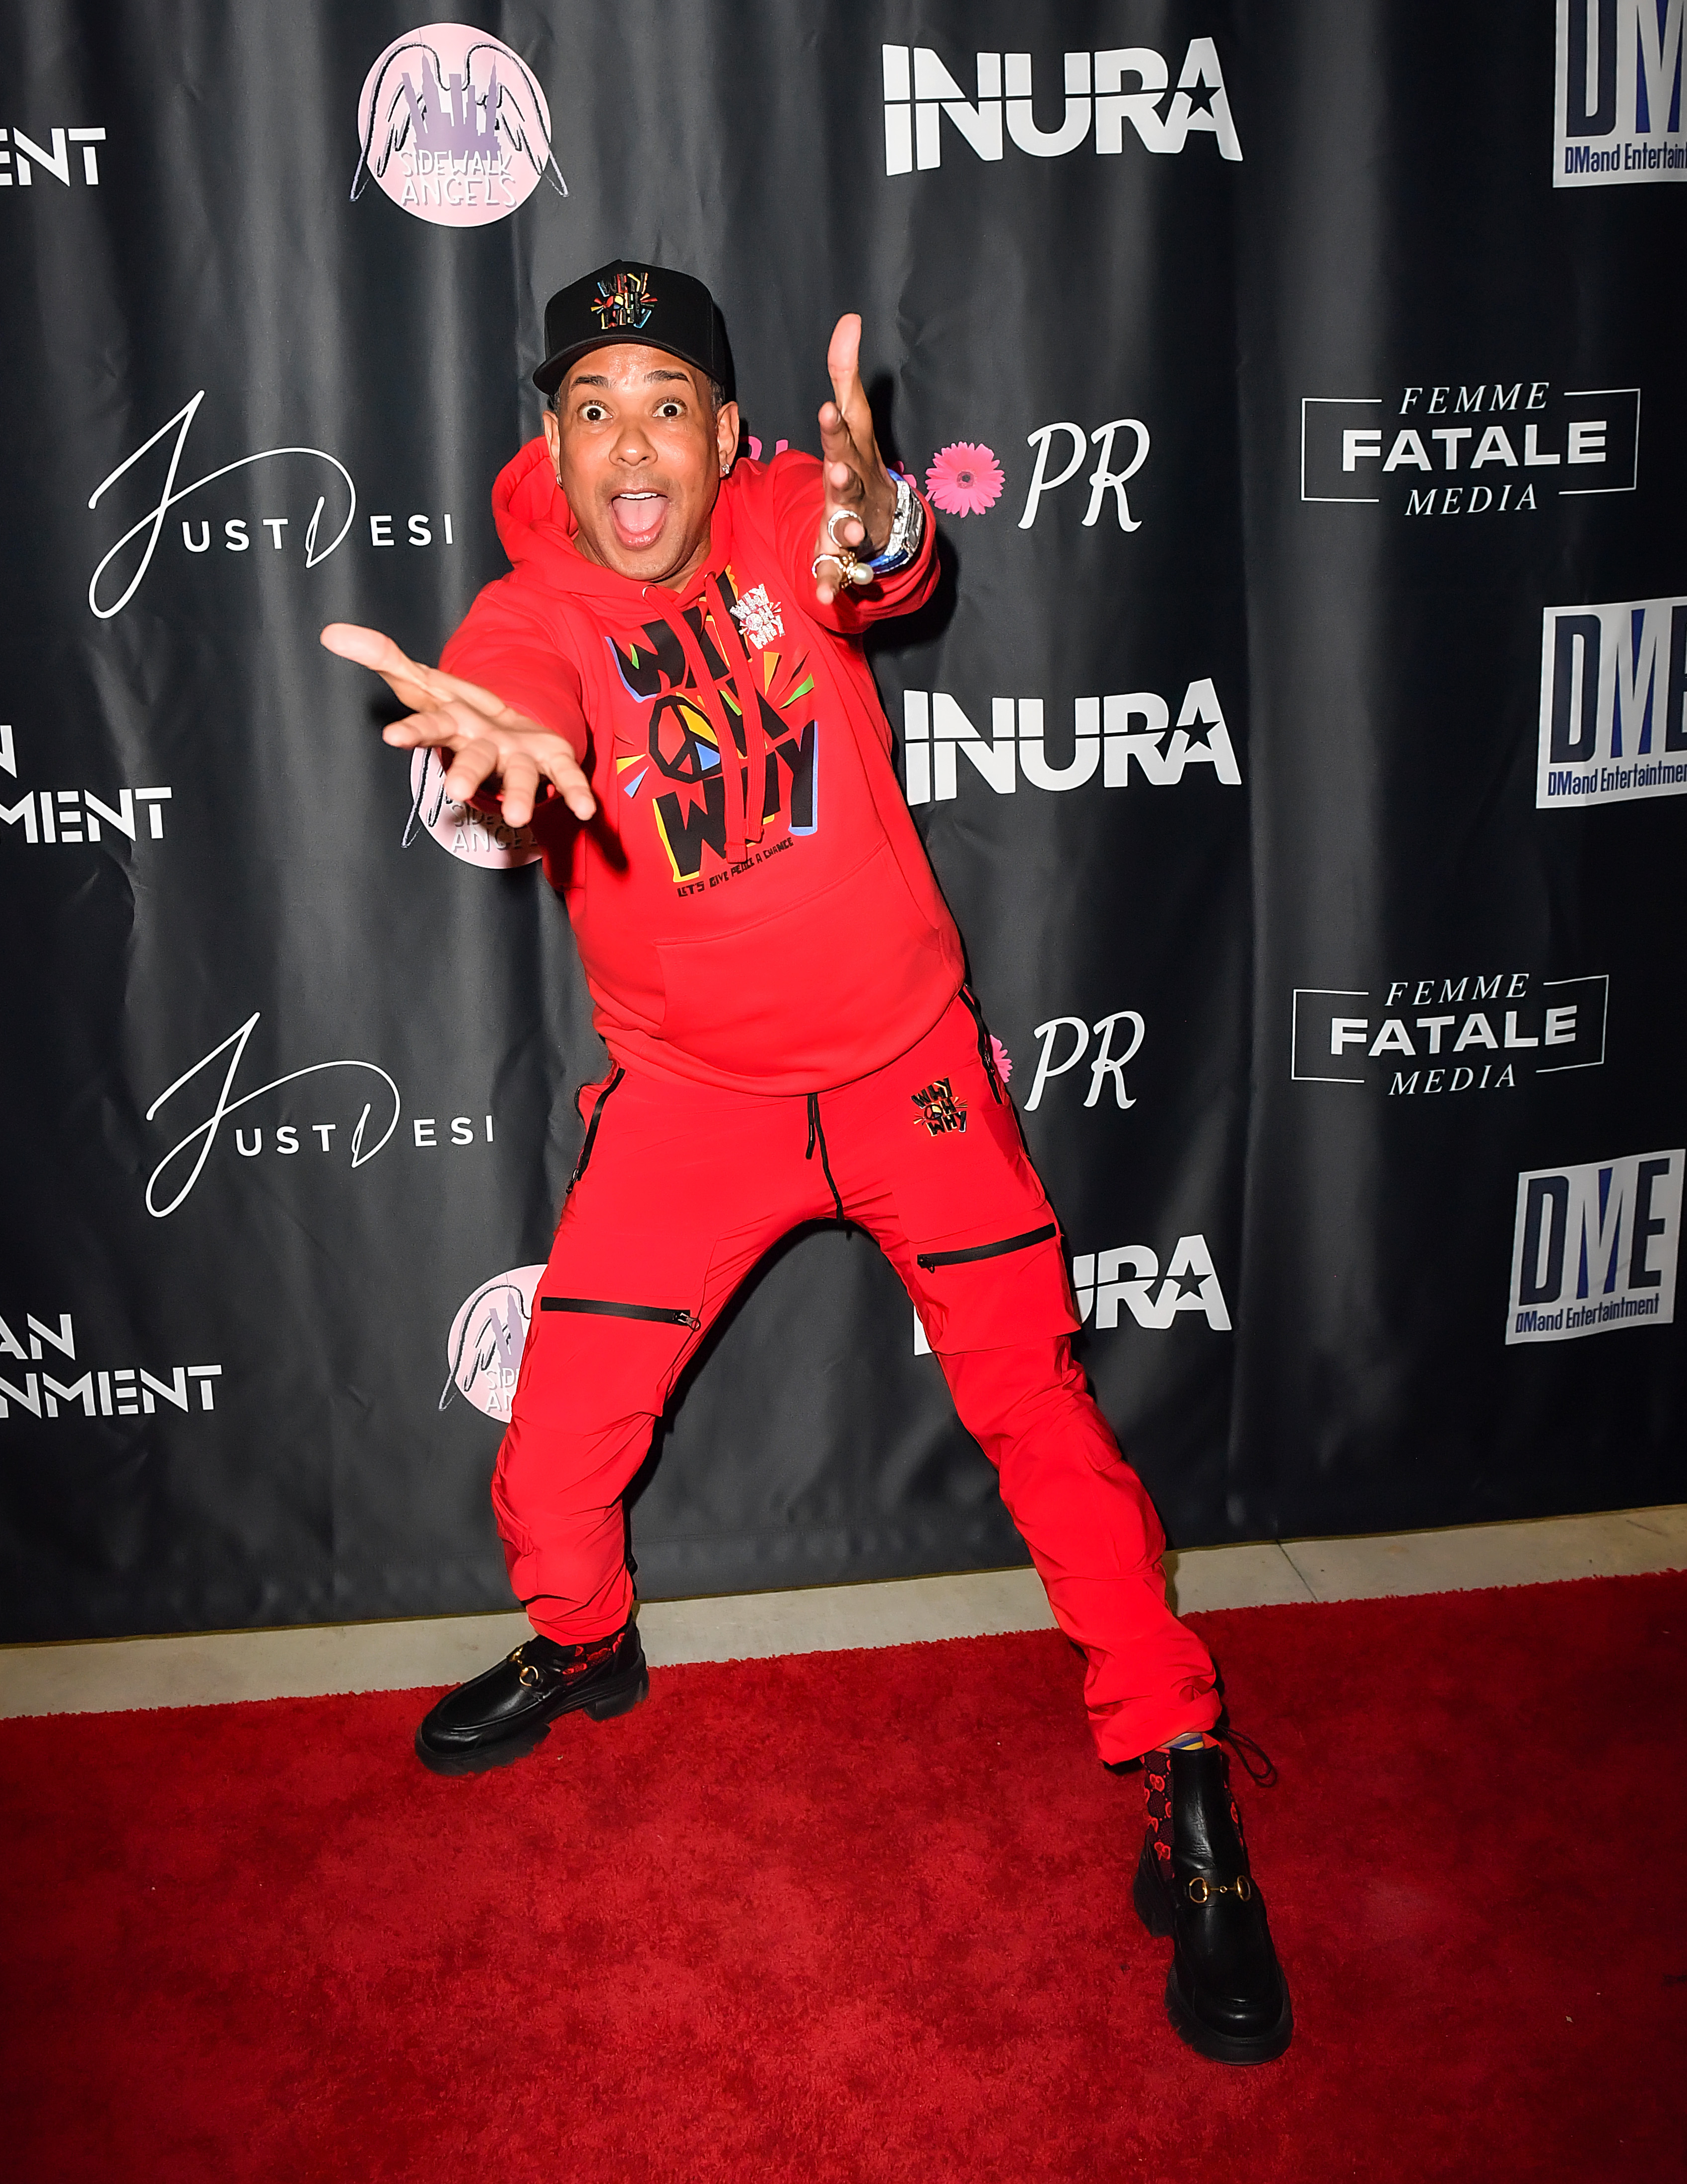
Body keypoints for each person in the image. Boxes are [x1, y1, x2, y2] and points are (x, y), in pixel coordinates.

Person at [322, 260, 1290, 2065]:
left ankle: (1183, 1774)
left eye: (666, 407)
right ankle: (584, 1640)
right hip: (696, 1103)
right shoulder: (532, 605)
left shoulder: (785, 517)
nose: (632, 445)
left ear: (725, 434)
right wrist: (500, 745)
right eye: (594, 408)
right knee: (549, 1465)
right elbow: (517, 678)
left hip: (914, 1075)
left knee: (1044, 1423)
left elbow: (877, 560)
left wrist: (881, 518)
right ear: (553, 441)